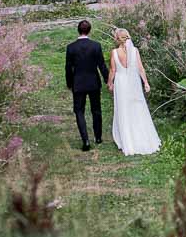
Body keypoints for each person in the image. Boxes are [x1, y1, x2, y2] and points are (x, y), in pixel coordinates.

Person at [108, 28, 161, 156]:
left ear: (117, 39)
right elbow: (141, 68)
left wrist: (110, 83)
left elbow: (113, 70)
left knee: (123, 110)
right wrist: (146, 82)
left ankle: (127, 140)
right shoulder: (135, 51)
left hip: (121, 83)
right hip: (134, 82)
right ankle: (141, 137)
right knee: (137, 108)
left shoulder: (114, 52)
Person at [65, 19, 108, 152]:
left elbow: (68, 68)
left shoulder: (71, 47)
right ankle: (98, 137)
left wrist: (69, 83)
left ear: (78, 30)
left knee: (79, 111)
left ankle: (86, 141)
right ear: (89, 30)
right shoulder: (96, 45)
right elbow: (101, 65)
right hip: (93, 82)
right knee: (96, 110)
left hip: (78, 83)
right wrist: (108, 80)